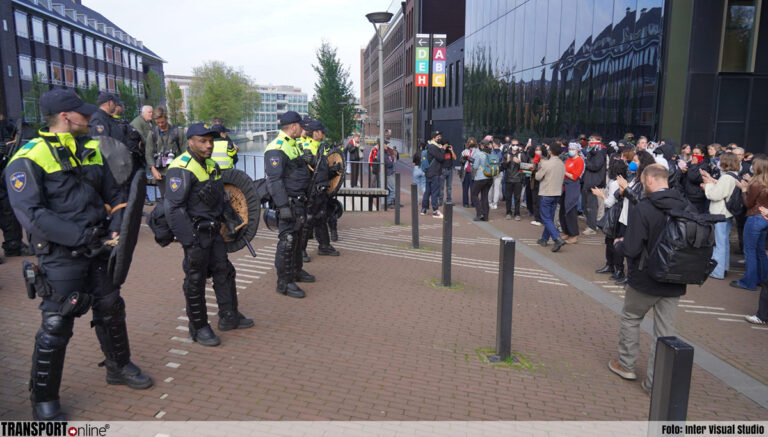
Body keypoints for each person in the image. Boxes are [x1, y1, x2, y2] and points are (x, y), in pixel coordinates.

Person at [6, 89, 152, 420]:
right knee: (57, 323)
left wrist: (118, 225)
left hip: (98, 247)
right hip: (60, 255)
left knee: (111, 307)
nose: (89, 118)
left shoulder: (91, 149)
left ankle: (119, 366)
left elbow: (114, 192)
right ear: (65, 117)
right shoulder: (28, 156)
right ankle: (43, 398)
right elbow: (31, 214)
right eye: (82, 114)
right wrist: (78, 236)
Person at [165, 123, 254, 346]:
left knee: (224, 271)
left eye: (211, 141)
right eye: (203, 141)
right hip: (195, 234)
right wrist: (190, 241)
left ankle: (229, 316)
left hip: (215, 232)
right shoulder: (180, 167)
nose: (209, 145)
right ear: (190, 141)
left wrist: (232, 220)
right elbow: (173, 209)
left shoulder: (212, 165)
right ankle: (198, 327)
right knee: (195, 280)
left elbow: (220, 198)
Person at [609, 164, 688, 394]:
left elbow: (632, 248)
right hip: (675, 277)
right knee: (665, 333)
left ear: (650, 180)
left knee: (632, 318)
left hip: (645, 276)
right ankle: (656, 383)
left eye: (643, 181)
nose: (642, 185)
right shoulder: (686, 205)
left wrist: (619, 245)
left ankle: (626, 365)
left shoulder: (644, 208)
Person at [264, 111, 316, 299]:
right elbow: (275, 180)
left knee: (297, 238)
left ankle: (296, 271)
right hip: (288, 202)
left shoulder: (293, 144)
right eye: (300, 125)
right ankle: (284, 283)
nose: (303, 129)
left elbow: (295, 170)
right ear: (293, 126)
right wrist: (283, 206)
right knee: (287, 241)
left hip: (299, 200)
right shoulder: (276, 147)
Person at [299, 120, 339, 261]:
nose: (323, 135)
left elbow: (322, 170)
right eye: (322, 132)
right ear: (315, 132)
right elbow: (301, 171)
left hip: (322, 189)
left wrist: (333, 171)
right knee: (307, 220)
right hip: (310, 190)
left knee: (322, 217)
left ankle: (324, 246)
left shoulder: (322, 147)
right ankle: (301, 250)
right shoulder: (303, 146)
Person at [732, 156, 768, 291]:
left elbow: (748, 203)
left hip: (754, 218)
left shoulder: (756, 184)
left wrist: (743, 190)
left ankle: (749, 282)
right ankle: (762, 279)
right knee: (760, 251)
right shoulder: (764, 183)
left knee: (750, 251)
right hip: (765, 218)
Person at [702, 152, 740, 280]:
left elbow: (715, 195)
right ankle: (724, 267)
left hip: (720, 213)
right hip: (728, 213)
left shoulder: (726, 178)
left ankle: (717, 271)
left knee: (719, 243)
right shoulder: (734, 175)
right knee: (724, 242)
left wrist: (707, 186)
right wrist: (712, 181)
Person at [593, 158, 629, 280]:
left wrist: (601, 195)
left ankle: (615, 267)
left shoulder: (614, 183)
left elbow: (609, 202)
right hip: (621, 214)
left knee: (611, 241)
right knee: (614, 240)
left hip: (615, 213)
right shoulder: (625, 181)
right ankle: (613, 266)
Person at [146, 107, 185, 197]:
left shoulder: (178, 132)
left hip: (176, 172)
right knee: (165, 198)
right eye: (157, 122)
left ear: (166, 118)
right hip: (160, 174)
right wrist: (153, 169)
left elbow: (185, 151)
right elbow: (148, 153)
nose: (160, 125)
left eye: (162, 122)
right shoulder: (152, 133)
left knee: (178, 198)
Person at [535, 140, 566, 252]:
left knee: (546, 218)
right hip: (557, 193)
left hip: (547, 192)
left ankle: (557, 238)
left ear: (550, 151)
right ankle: (544, 239)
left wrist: (539, 167)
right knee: (550, 218)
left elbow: (538, 177)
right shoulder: (562, 163)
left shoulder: (547, 163)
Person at [581, 134, 606, 235]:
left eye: (592, 140)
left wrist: (585, 161)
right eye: (590, 139)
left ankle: (592, 226)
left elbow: (596, 166)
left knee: (591, 206)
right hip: (588, 181)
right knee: (585, 205)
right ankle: (591, 224)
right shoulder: (592, 151)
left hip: (593, 182)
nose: (590, 141)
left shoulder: (599, 152)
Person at [561, 141, 584, 242]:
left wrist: (565, 172)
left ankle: (574, 234)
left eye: (572, 149)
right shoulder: (568, 160)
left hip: (573, 187)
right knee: (563, 211)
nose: (570, 151)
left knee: (570, 210)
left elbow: (575, 176)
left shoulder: (580, 161)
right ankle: (566, 231)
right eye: (570, 149)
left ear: (577, 150)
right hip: (565, 187)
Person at [421, 131, 446, 218]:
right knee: (435, 192)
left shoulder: (430, 146)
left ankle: (424, 209)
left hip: (429, 172)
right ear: (434, 138)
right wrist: (442, 149)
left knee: (427, 191)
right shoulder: (433, 147)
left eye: (440, 136)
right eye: (438, 136)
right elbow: (441, 158)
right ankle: (435, 211)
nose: (439, 138)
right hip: (434, 172)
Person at [502, 138, 526, 220]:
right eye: (513, 145)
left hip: (518, 179)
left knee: (517, 198)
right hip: (508, 179)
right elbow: (502, 167)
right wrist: (507, 162)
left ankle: (517, 214)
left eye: (516, 145)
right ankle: (508, 212)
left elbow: (526, 168)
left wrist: (520, 163)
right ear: (510, 145)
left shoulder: (521, 155)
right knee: (508, 197)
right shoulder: (506, 155)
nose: (515, 146)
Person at [470, 139, 492, 221]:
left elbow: (475, 166)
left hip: (480, 177)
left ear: (482, 145)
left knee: (474, 194)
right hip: (490, 178)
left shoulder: (479, 154)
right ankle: (486, 217)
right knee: (484, 196)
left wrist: (472, 162)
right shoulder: (491, 153)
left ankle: (479, 213)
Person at [683, 145, 709, 213]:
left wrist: (694, 165)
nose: (694, 155)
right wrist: (682, 172)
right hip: (687, 195)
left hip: (697, 197)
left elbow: (694, 178)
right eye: (693, 153)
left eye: (697, 153)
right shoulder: (689, 163)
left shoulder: (704, 166)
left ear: (702, 154)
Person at [460, 138, 477, 208]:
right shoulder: (464, 151)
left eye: (472, 143)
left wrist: (468, 157)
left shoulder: (477, 151)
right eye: (469, 143)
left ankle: (473, 203)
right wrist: (464, 158)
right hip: (465, 172)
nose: (471, 144)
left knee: (473, 189)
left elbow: (475, 161)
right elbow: (461, 161)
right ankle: (465, 203)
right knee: (465, 189)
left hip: (473, 172)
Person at [488, 138, 504, 210]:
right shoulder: (502, 153)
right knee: (497, 188)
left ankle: (490, 202)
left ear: (494, 144)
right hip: (499, 171)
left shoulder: (490, 152)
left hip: (491, 171)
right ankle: (495, 203)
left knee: (490, 187)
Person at [440, 138, 456, 205]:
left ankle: (449, 200)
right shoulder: (440, 151)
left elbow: (455, 158)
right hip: (442, 170)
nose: (446, 146)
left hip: (450, 170)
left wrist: (452, 150)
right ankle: (440, 201)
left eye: (447, 144)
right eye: (445, 144)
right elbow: (439, 159)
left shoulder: (449, 151)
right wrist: (442, 149)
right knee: (441, 187)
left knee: (449, 187)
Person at [384, 140, 398, 207]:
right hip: (388, 173)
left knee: (391, 189)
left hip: (390, 172)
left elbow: (392, 158)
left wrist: (391, 159)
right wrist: (391, 160)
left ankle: (389, 202)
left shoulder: (387, 152)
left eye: (387, 144)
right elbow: (389, 163)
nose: (387, 145)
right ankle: (388, 202)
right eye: (385, 144)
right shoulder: (382, 153)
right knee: (393, 189)